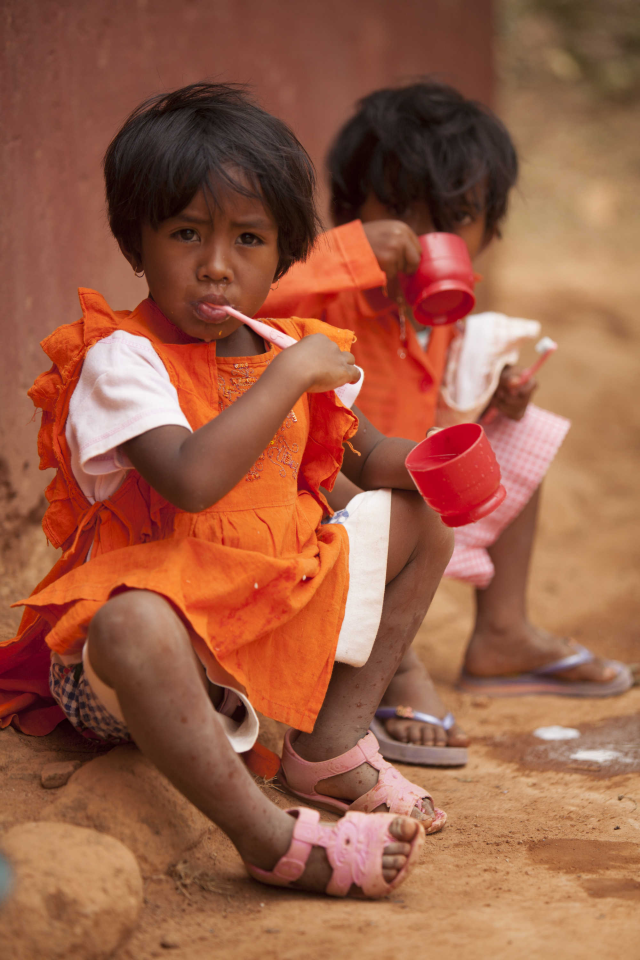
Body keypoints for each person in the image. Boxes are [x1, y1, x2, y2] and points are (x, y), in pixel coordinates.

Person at [0, 83, 459, 899]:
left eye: (248, 238)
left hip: (259, 624)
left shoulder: (292, 349)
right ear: (135, 243)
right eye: (186, 234)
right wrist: (286, 378)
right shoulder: (122, 360)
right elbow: (190, 479)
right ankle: (269, 836)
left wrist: (435, 456)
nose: (217, 264)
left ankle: (330, 746)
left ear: (282, 254)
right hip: (148, 659)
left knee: (423, 520)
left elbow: (369, 454)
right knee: (131, 622)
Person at [261, 80, 632, 766]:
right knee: (392, 501)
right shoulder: (327, 284)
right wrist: (350, 250)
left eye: (453, 217)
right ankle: (395, 671)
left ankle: (504, 633)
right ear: (351, 211)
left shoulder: (446, 316)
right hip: (330, 493)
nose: (424, 238)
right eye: (400, 211)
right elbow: (264, 293)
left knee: (518, 440)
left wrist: (495, 406)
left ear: (489, 231)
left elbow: (439, 416)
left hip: (410, 486)